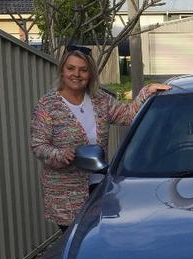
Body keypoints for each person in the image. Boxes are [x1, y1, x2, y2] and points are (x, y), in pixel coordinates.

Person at [30, 45, 170, 232]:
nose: (76, 74)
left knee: (100, 236)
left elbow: (127, 115)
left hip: (99, 186)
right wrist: (61, 154)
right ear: (62, 70)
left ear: (90, 74)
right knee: (76, 243)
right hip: (65, 193)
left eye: (83, 70)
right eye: (71, 68)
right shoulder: (48, 105)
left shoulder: (100, 100)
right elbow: (39, 145)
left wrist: (147, 91)